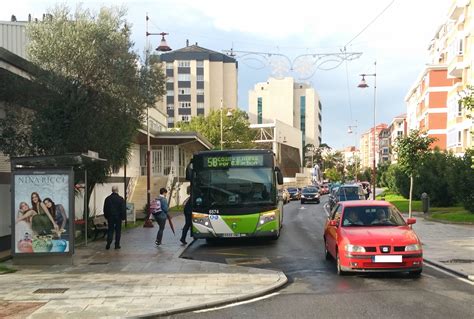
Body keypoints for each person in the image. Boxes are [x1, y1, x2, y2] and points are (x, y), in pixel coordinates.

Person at [103, 186, 126, 250]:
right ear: (117, 190)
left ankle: (108, 243)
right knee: (118, 231)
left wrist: (106, 216)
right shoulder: (121, 199)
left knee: (110, 230)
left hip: (110, 217)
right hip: (118, 217)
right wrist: (123, 217)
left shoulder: (107, 199)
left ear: (112, 190)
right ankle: (117, 244)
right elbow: (123, 209)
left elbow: (105, 208)